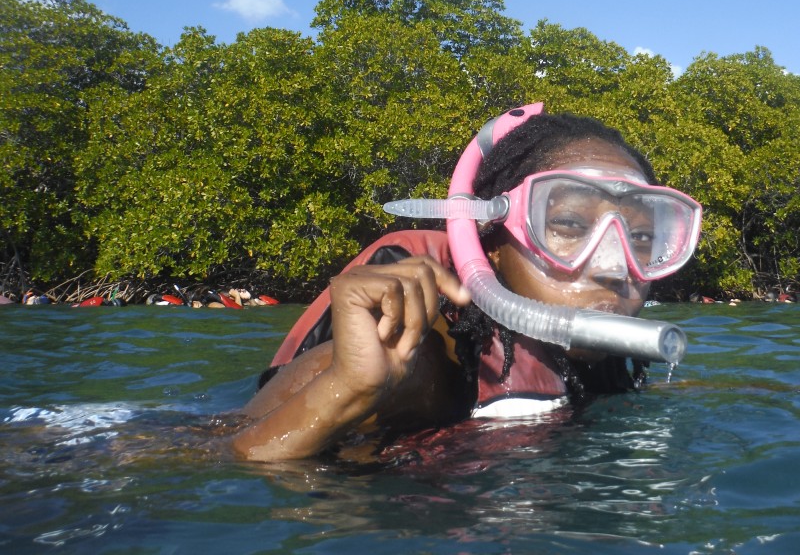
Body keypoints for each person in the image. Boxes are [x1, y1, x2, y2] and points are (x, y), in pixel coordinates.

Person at [230, 105, 702, 462]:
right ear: (491, 242)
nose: (614, 268)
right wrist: (349, 389)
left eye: (641, 236)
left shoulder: (613, 355)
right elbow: (209, 460)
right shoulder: (424, 359)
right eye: (570, 226)